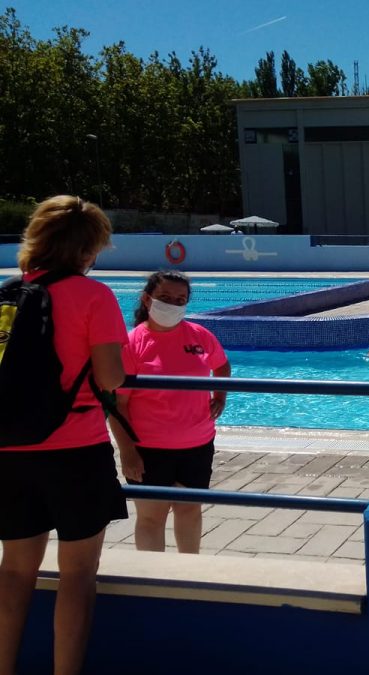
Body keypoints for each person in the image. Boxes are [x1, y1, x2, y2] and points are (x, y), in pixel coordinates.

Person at [0, 196, 129, 675]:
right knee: (77, 575)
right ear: (89, 248)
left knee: (14, 570)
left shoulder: (9, 293)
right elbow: (111, 377)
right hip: (74, 449)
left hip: (9, 449)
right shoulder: (93, 296)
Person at [109, 270, 231, 555]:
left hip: (197, 445)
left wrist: (220, 396)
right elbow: (117, 405)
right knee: (152, 517)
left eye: (180, 299)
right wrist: (127, 452)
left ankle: (187, 574)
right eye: (165, 297)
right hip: (148, 449)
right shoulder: (132, 344)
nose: (172, 305)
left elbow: (222, 366)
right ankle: (153, 580)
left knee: (189, 511)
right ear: (147, 298)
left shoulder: (200, 335)